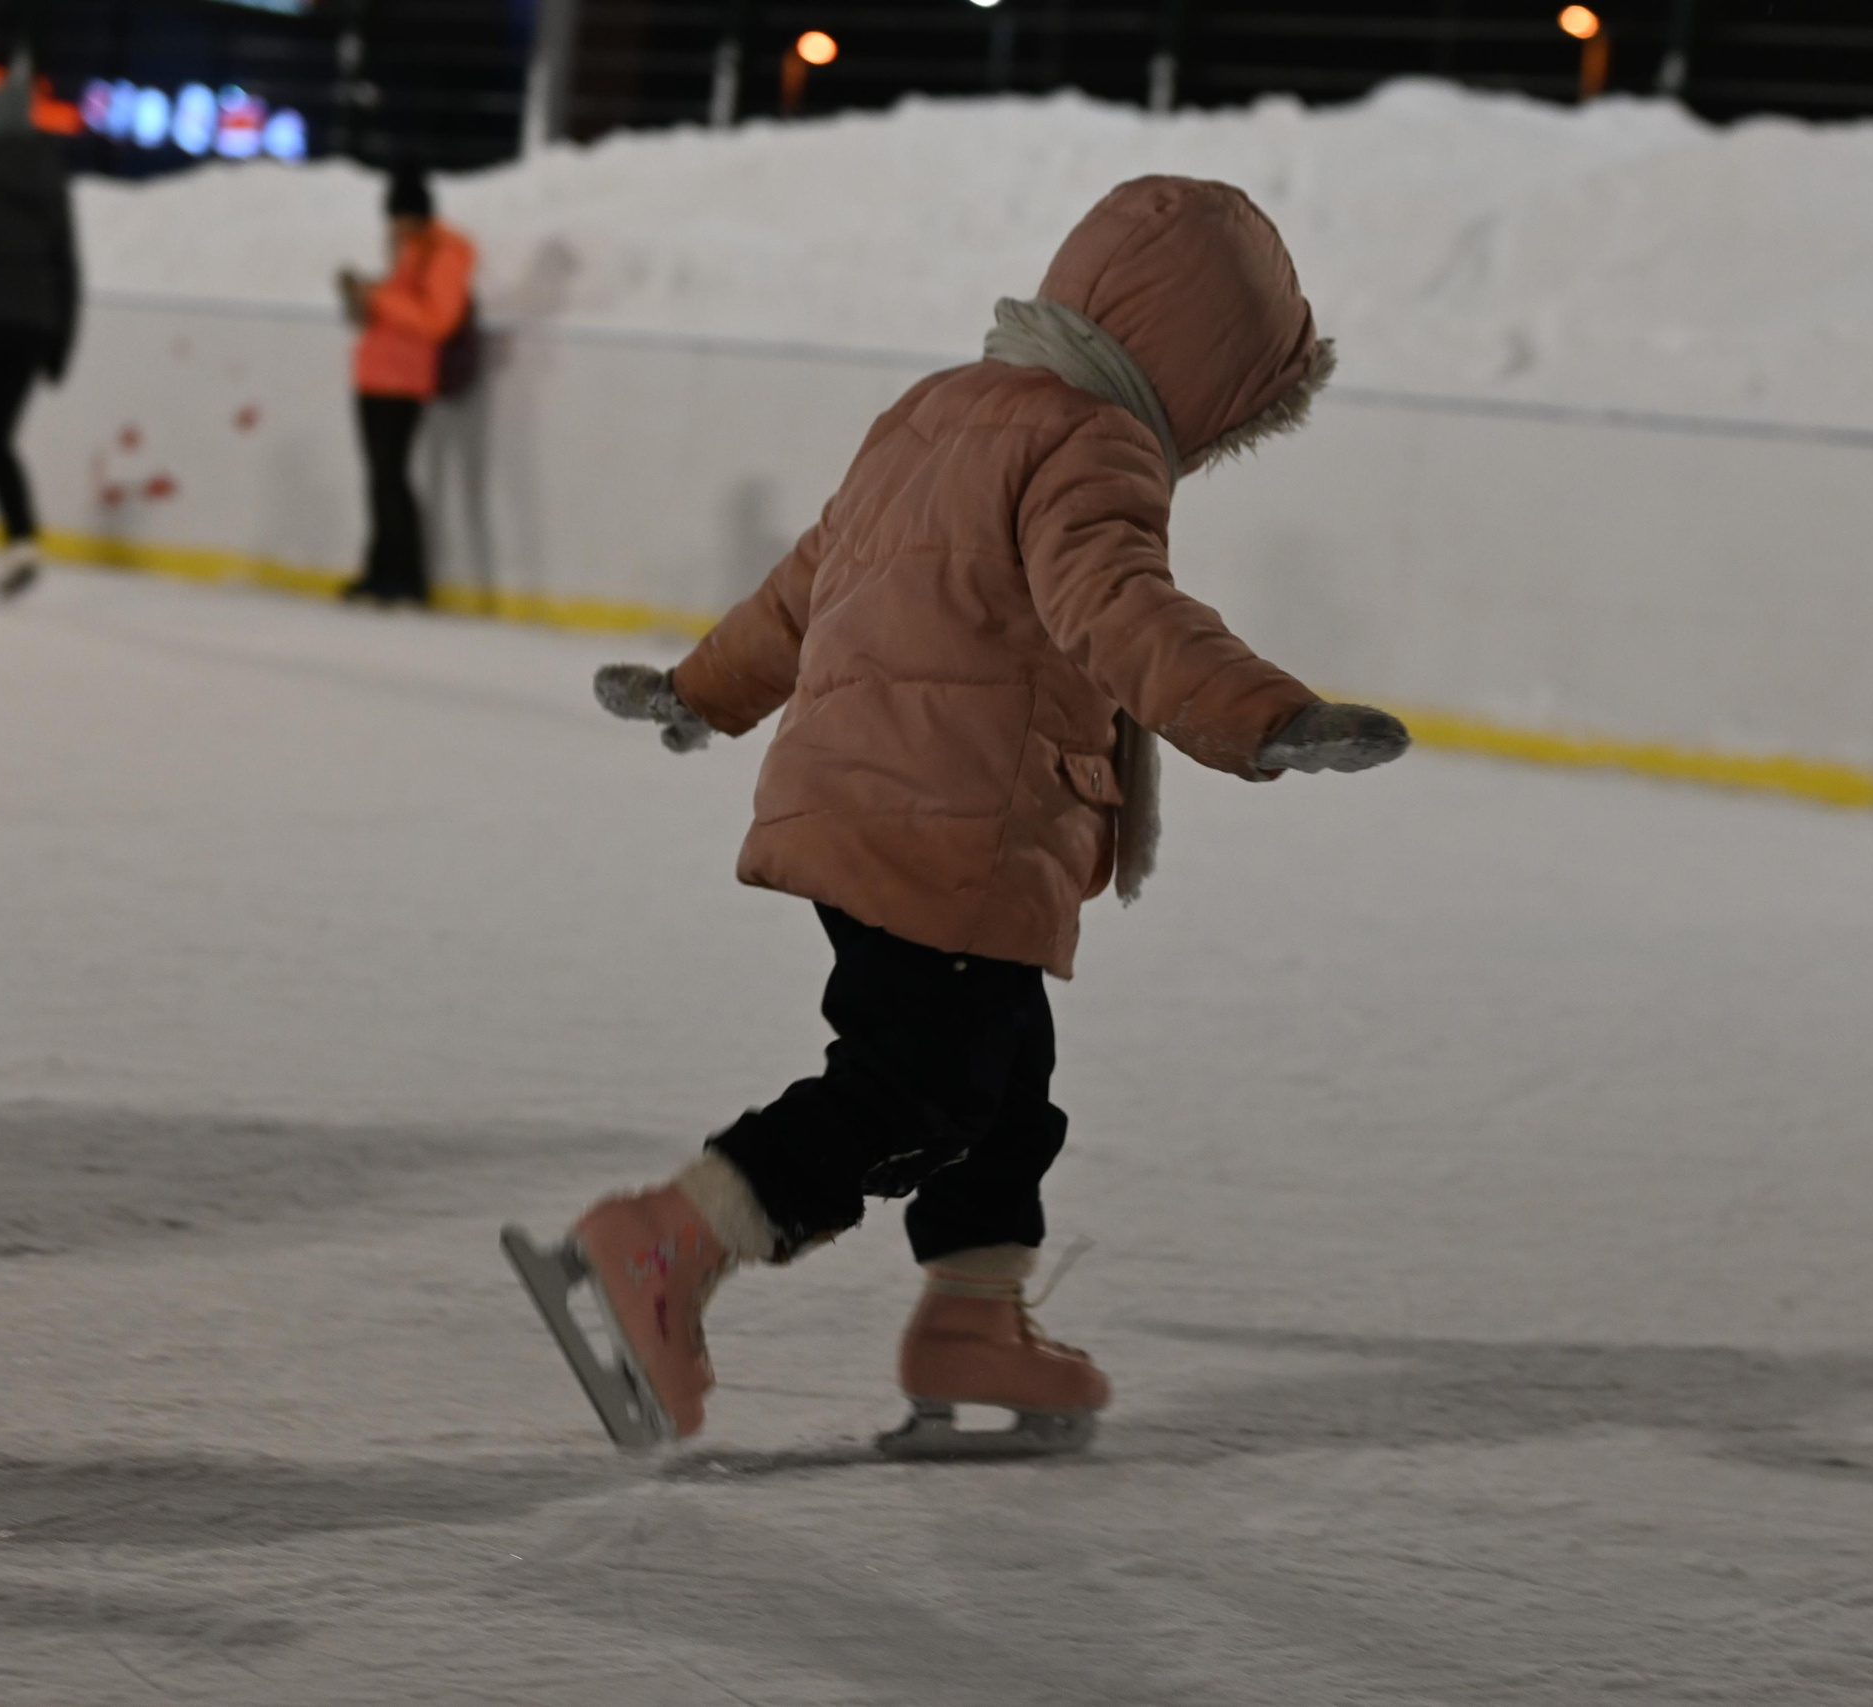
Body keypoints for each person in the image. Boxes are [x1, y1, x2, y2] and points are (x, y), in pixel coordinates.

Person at [510, 176, 1412, 1455]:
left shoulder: (934, 411)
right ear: (1202, 370)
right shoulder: (1093, 443)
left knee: (1003, 1086)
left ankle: (972, 1321)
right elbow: (1118, 609)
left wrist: (701, 691)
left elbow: (806, 585)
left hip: (863, 798)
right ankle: (667, 1240)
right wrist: (1261, 715)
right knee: (921, 1090)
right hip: (957, 821)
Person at [335, 163, 474, 607]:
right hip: (376, 374)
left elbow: (437, 319)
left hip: (405, 379)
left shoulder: (442, 251)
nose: (395, 225)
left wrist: (379, 297)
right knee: (381, 478)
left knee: (391, 477)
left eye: (400, 215)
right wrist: (366, 298)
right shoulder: (409, 248)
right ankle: (382, 570)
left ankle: (404, 576)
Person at [0, 56, 78, 603]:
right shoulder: (49, 175)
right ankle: (22, 539)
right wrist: (60, 346)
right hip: (33, 326)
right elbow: (67, 266)